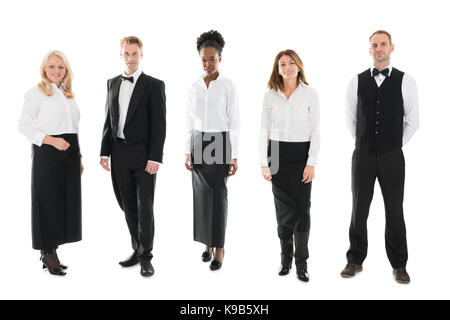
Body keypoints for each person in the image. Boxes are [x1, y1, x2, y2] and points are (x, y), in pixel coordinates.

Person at [340, 30, 419, 284]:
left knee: (394, 210)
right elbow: (351, 119)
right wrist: (366, 142)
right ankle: (355, 260)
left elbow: (413, 121)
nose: (379, 48)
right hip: (362, 155)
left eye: (383, 44)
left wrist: (394, 145)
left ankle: (399, 264)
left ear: (391, 48)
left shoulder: (406, 81)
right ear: (370, 49)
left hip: (392, 157)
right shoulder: (356, 81)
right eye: (375, 45)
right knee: (358, 210)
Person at [100, 36, 166, 277]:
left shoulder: (154, 85)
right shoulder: (112, 82)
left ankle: (147, 256)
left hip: (143, 155)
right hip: (118, 153)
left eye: (134, 54)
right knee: (127, 205)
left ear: (141, 55)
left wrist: (155, 158)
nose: (130, 58)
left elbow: (160, 125)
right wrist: (104, 151)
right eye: (126, 54)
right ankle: (136, 249)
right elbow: (109, 119)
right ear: (121, 54)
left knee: (144, 206)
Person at [19, 50, 83, 276]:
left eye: (61, 67)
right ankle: (48, 253)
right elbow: (24, 125)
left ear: (67, 70)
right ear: (44, 68)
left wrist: (80, 156)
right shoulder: (34, 93)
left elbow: (73, 128)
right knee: (47, 202)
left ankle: (53, 248)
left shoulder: (68, 94)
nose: (56, 71)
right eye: (52, 66)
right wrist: (51, 141)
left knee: (64, 204)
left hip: (70, 154)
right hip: (47, 153)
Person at [259, 50, 320, 282]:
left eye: (291, 63)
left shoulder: (310, 94)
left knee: (302, 210)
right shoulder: (270, 95)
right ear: (277, 68)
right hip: (277, 154)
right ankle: (286, 259)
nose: (287, 68)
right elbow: (263, 129)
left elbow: (316, 130)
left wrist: (311, 162)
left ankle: (302, 264)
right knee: (283, 212)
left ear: (299, 66)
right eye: (282, 64)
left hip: (301, 154)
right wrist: (264, 163)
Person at [184, 30, 240, 271]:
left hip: (219, 141)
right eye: (204, 60)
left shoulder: (227, 85)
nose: (207, 64)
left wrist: (234, 154)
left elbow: (234, 120)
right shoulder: (194, 86)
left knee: (218, 196)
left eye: (212, 59)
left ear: (220, 58)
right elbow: (188, 120)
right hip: (198, 141)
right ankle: (206, 243)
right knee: (201, 197)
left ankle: (219, 247)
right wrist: (188, 150)